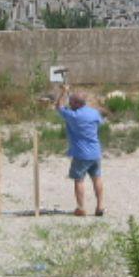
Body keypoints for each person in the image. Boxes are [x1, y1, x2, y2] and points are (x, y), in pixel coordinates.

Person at [54, 84, 105, 217]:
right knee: (97, 178)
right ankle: (100, 206)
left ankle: (81, 207)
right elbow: (99, 122)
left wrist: (63, 93)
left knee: (79, 180)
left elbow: (58, 106)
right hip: (95, 152)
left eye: (71, 101)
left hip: (81, 154)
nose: (69, 103)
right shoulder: (93, 113)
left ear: (77, 103)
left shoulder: (73, 116)